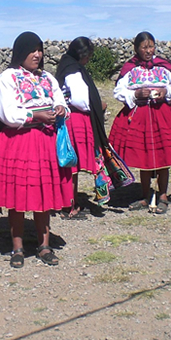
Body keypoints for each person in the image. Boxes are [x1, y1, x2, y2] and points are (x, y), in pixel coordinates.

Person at [0, 31, 72, 268]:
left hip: (45, 141)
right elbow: (6, 112)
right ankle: (17, 247)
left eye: (40, 50)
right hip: (19, 141)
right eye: (32, 50)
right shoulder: (8, 78)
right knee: (19, 194)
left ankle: (44, 245)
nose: (37, 55)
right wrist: (34, 114)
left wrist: (59, 109)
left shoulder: (47, 77)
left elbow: (62, 101)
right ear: (20, 52)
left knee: (44, 193)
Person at [108, 31, 171, 214]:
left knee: (164, 157)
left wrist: (165, 92)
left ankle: (162, 195)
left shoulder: (163, 67)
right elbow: (118, 91)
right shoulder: (131, 69)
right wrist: (135, 94)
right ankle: (145, 196)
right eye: (144, 47)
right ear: (136, 49)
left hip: (163, 115)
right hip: (139, 117)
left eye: (151, 46)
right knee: (144, 157)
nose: (148, 50)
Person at [55, 36, 109, 219]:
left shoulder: (65, 64)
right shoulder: (74, 71)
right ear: (82, 55)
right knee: (71, 165)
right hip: (74, 121)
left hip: (68, 119)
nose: (88, 60)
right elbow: (80, 99)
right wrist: (97, 106)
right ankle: (68, 205)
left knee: (71, 165)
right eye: (88, 56)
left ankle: (72, 202)